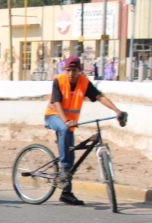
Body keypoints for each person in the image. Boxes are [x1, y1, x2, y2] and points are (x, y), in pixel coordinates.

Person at [44, 56, 126, 206]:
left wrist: (117, 111)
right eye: (68, 70)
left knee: (72, 154)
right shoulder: (59, 81)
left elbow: (99, 97)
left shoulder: (84, 82)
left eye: (74, 70)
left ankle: (66, 193)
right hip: (54, 117)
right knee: (65, 143)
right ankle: (64, 169)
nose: (70, 73)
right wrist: (66, 121)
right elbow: (56, 103)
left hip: (70, 124)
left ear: (79, 70)